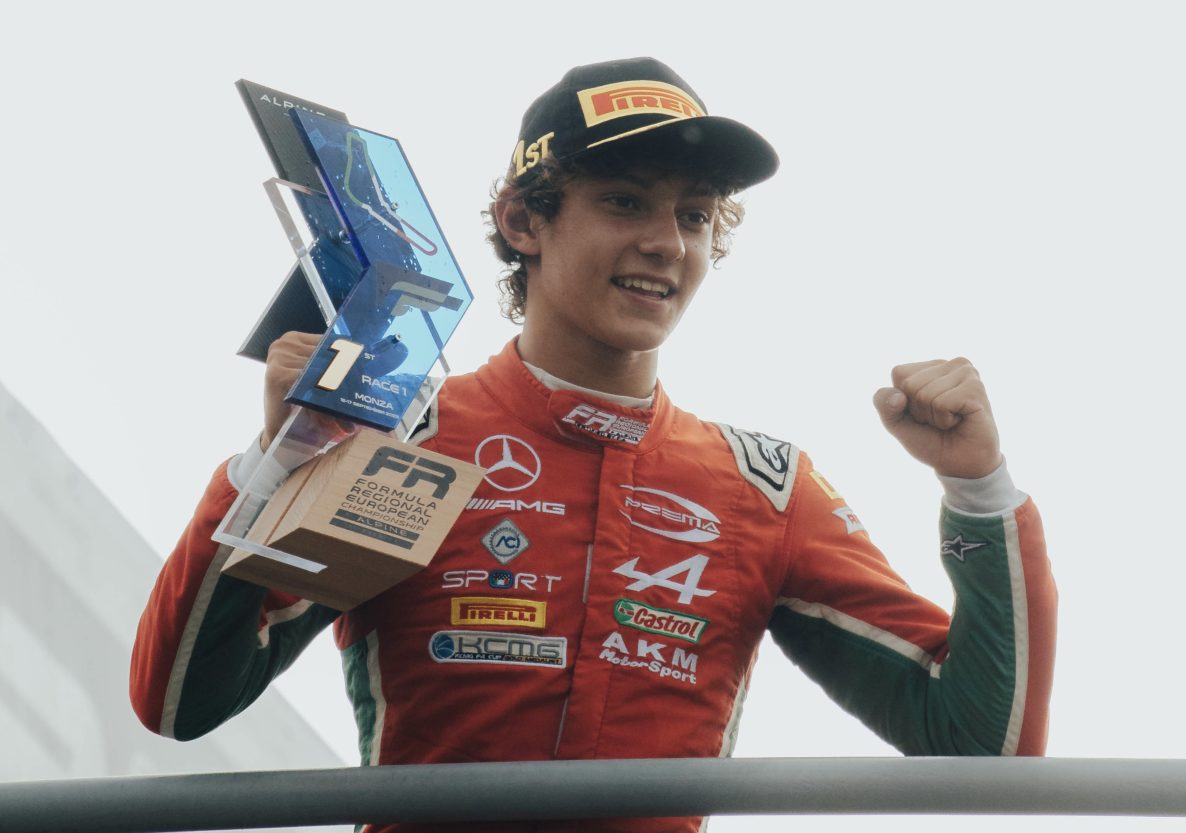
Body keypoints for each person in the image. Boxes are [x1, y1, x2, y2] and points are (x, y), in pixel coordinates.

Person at [130, 57, 1057, 832]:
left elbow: (982, 746)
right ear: (522, 221)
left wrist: (977, 486)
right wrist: (282, 460)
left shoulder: (765, 489)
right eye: (624, 201)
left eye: (694, 216)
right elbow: (181, 701)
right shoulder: (407, 435)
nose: (667, 244)